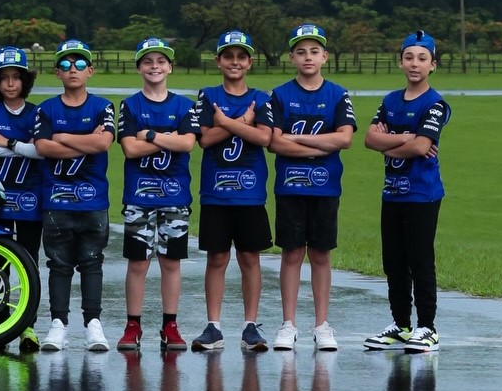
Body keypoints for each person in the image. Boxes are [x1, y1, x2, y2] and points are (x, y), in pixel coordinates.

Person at [265, 24, 357, 352]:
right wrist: (319, 147)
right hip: (290, 187)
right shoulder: (279, 95)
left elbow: (344, 138)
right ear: (292, 57)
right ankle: (288, 324)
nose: (308, 57)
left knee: (320, 253)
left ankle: (322, 325)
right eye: (301, 51)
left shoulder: (337, 94)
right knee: (291, 252)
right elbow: (274, 142)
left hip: (325, 187)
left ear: (325, 56)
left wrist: (299, 139)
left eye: (314, 51)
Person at [364, 30, 450, 354]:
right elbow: (370, 140)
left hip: (422, 194)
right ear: (400, 62)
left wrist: (395, 141)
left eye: (422, 58)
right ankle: (401, 325)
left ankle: (427, 327)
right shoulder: (389, 101)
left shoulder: (436, 104)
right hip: (392, 193)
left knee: (420, 260)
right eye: (409, 57)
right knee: (394, 262)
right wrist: (405, 139)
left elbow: (422, 146)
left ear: (433, 65)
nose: (415, 64)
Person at [116, 37, 201, 352]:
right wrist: (170, 137)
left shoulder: (183, 105)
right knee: (138, 263)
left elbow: (188, 144)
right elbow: (130, 148)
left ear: (170, 67)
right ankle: (133, 325)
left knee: (171, 262)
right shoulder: (130, 104)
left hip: (175, 196)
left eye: (161, 61)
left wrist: (151, 134)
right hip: (139, 196)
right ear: (139, 67)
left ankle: (170, 325)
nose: (155, 66)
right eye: (148, 61)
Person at [191, 30, 273, 352]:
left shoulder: (262, 98)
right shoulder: (207, 94)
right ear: (219, 61)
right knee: (217, 258)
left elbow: (264, 138)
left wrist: (225, 121)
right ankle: (214, 326)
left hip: (250, 194)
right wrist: (243, 121)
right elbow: (205, 140)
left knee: (250, 257)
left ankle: (250, 326)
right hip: (216, 193)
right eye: (228, 56)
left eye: (241, 57)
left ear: (250, 62)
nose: (235, 62)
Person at [33, 39, 115, 352]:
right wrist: (85, 139)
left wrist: (63, 137)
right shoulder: (47, 109)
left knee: (92, 261)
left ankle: (93, 323)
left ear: (90, 70)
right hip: (56, 199)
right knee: (59, 263)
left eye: (79, 64)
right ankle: (58, 324)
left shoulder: (102, 106)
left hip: (93, 199)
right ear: (57, 72)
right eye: (66, 65)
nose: (73, 70)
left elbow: (103, 144)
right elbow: (43, 147)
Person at [0, 46, 45, 352]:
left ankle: (28, 326)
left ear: (25, 81)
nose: (11, 83)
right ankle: (1, 321)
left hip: (31, 195)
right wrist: (21, 146)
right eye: (4, 78)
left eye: (17, 77)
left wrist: (10, 141)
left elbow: (40, 150)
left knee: (29, 261)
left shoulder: (37, 113)